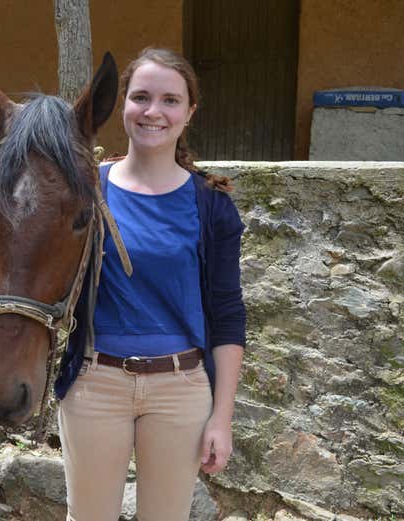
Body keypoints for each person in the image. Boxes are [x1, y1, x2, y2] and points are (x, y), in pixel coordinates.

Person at [54, 47, 246, 521]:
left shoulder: (211, 205)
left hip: (181, 389)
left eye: (170, 100)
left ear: (189, 112)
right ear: (123, 106)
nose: (153, 111)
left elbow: (227, 316)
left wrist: (222, 417)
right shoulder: (86, 192)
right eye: (141, 97)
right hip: (96, 383)